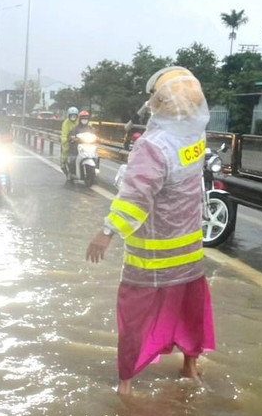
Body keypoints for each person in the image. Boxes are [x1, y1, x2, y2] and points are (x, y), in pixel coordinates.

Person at [86, 66, 215, 393]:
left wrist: (107, 231)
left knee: (135, 317)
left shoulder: (153, 145)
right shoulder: (195, 137)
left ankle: (125, 386)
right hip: (189, 250)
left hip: (155, 254)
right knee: (189, 309)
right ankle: (190, 368)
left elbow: (135, 197)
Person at [60, 106, 79, 177]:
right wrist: (65, 140)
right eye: (72, 116)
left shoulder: (80, 121)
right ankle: (63, 164)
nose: (73, 117)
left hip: (80, 141)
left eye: (75, 116)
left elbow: (88, 127)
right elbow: (64, 134)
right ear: (69, 116)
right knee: (65, 150)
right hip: (70, 141)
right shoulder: (66, 123)